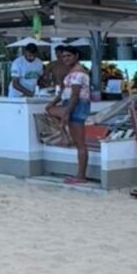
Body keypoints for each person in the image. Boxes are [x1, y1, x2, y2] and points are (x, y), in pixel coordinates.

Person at [45, 46, 91, 184]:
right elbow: (64, 92)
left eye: (68, 56)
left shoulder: (78, 73)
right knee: (50, 110)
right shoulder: (72, 71)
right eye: (64, 56)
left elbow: (75, 95)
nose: (65, 58)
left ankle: (80, 176)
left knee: (80, 143)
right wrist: (54, 102)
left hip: (76, 105)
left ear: (76, 56)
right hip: (70, 103)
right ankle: (64, 135)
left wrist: (66, 112)